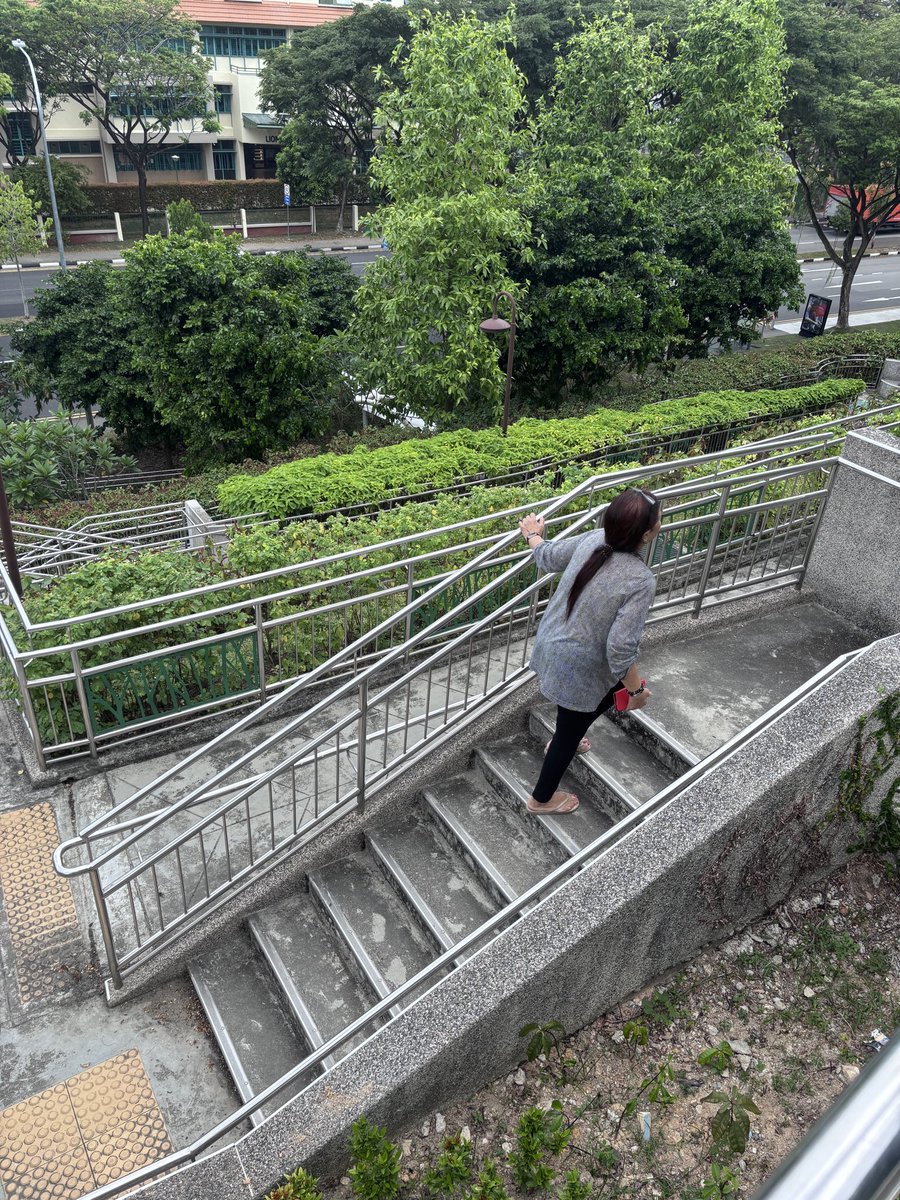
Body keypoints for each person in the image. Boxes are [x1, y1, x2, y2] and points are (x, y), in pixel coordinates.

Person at [518, 487, 662, 814]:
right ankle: (541, 799)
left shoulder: (595, 538)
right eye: (658, 520)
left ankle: (566, 735)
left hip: (552, 644)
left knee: (605, 691)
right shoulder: (640, 580)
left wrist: (533, 537)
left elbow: (548, 556)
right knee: (571, 731)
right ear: (648, 533)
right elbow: (621, 649)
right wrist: (637, 691)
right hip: (579, 667)